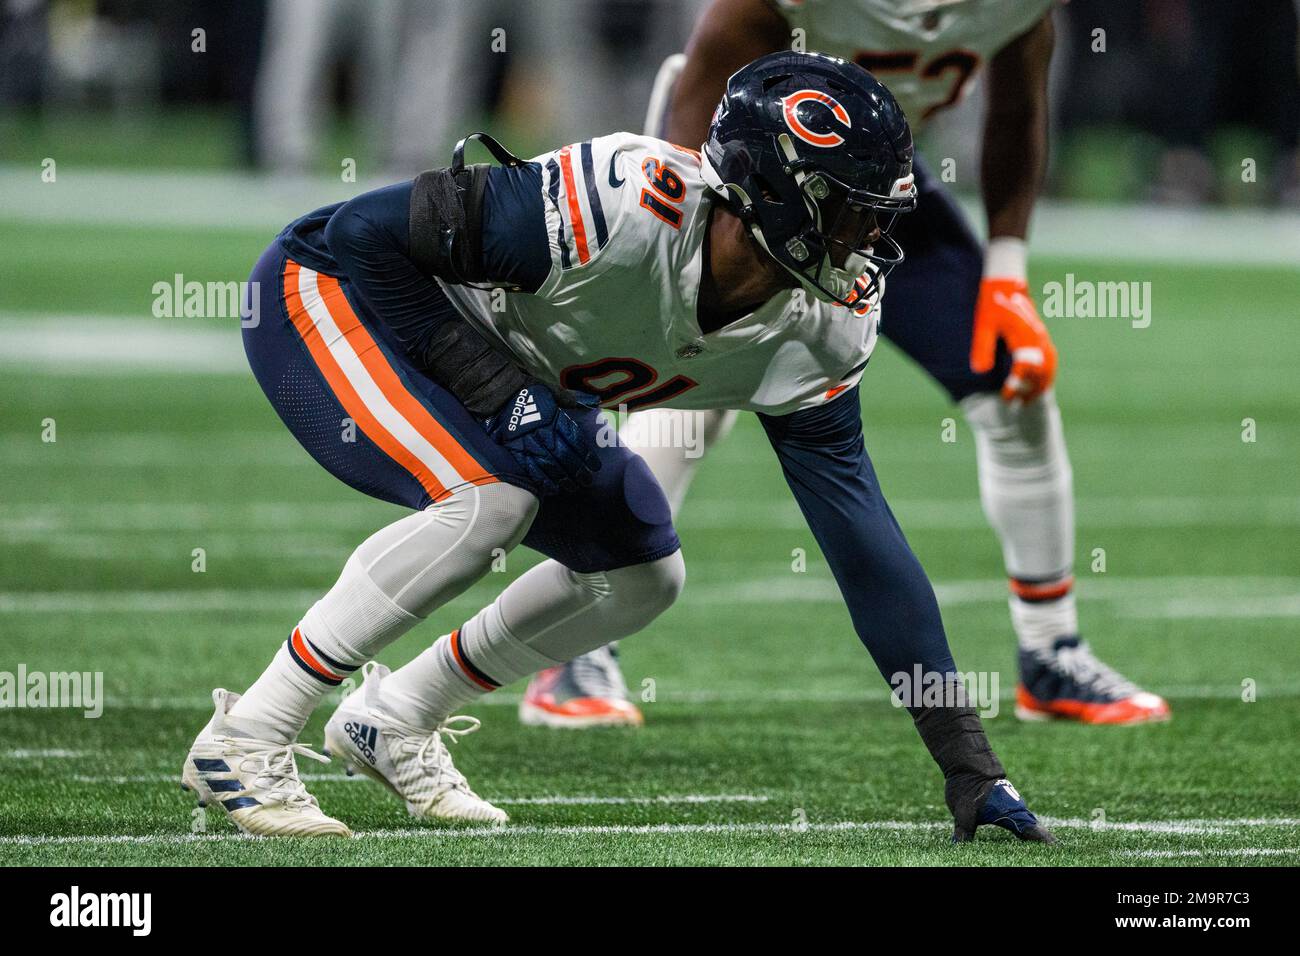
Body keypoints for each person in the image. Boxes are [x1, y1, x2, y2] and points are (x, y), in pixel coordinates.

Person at [181, 51, 1053, 844]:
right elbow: (360, 236)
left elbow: (864, 544)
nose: (870, 243)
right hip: (328, 297)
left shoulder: (820, 327)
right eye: (852, 213)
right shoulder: (625, 207)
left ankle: (398, 716)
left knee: (643, 574)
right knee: (491, 500)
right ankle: (248, 736)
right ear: (781, 196)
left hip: (505, 373)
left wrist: (969, 763)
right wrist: (503, 395)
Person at [524, 0, 1171, 729]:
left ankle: (1052, 655)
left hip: (871, 193)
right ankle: (578, 651)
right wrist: (693, 271)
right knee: (686, 407)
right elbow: (707, 90)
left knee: (1013, 380)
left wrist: (1009, 275)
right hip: (730, 176)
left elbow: (1018, 110)